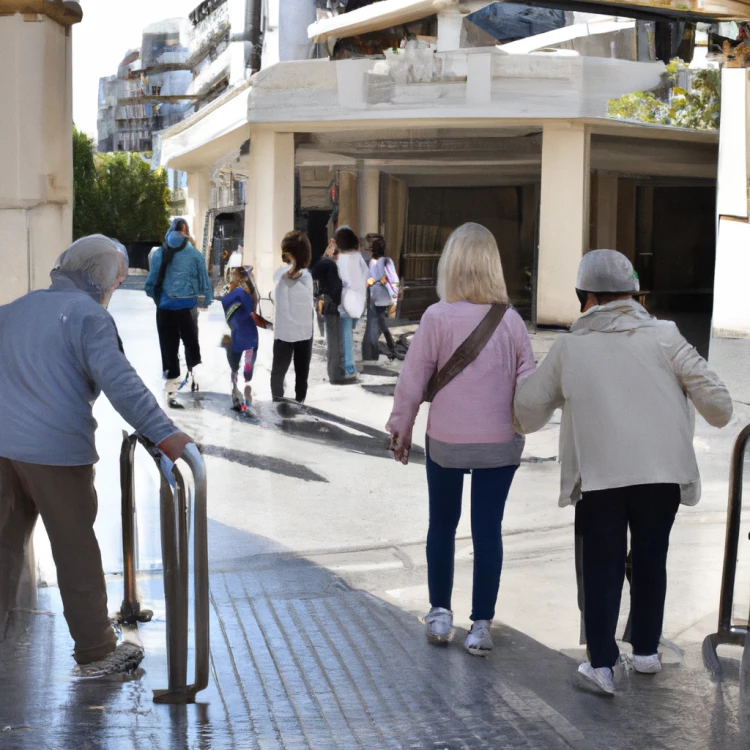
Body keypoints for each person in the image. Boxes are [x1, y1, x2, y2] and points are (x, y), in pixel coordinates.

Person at [513, 249, 733, 696]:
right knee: (651, 559)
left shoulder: (570, 347)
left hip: (601, 479)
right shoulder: (667, 336)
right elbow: (721, 406)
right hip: (661, 476)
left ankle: (602, 667)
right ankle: (647, 653)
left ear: (587, 296)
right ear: (634, 294)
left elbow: (526, 413)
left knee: (603, 567)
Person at [0, 235, 194, 676]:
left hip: (3, 447)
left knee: (2, 547)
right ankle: (96, 650)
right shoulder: (88, 317)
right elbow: (120, 382)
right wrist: (166, 434)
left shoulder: (14, 309)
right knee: (75, 551)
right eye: (118, 280)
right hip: (55, 451)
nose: (116, 288)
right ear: (106, 280)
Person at [386, 223, 535, 657]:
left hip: (446, 442)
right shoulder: (510, 321)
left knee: (442, 525)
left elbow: (412, 380)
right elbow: (530, 384)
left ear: (450, 264)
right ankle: (481, 625)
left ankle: (439, 614)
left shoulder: (436, 317)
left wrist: (402, 427)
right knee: (488, 530)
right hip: (499, 444)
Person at [145, 218, 213, 405]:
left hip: (165, 309)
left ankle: (171, 387)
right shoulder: (195, 255)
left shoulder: (159, 253)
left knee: (168, 347)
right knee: (190, 341)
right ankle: (192, 372)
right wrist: (205, 299)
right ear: (186, 233)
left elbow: (150, 284)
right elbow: (205, 283)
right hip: (187, 307)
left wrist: (159, 299)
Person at [270, 231, 315, 403]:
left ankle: (279, 401)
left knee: (279, 372)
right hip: (301, 333)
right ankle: (298, 401)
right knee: (301, 371)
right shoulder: (302, 277)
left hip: (287, 334)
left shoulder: (294, 277)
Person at [221, 266, 259, 415]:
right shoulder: (250, 293)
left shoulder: (230, 292)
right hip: (249, 330)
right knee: (251, 348)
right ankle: (248, 369)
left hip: (234, 331)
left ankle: (235, 375)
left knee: (234, 354)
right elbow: (254, 310)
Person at [335, 225, 369, 381]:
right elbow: (366, 276)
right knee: (348, 335)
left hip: (343, 304)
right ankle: (347, 366)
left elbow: (339, 281)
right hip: (357, 302)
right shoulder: (358, 257)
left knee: (345, 336)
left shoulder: (340, 260)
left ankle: (348, 368)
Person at [311, 240, 345, 383]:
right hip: (331, 303)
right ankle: (335, 375)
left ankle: (335, 373)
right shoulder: (329, 264)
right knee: (334, 341)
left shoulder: (326, 264)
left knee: (333, 340)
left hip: (328, 302)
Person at [363, 233, 400, 361]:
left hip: (375, 297)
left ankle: (376, 353)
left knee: (376, 326)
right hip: (386, 297)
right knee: (380, 324)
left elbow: (368, 281)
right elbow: (394, 279)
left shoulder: (371, 263)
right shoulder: (387, 261)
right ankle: (391, 349)